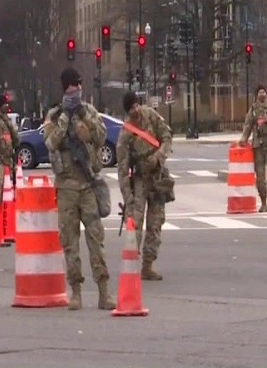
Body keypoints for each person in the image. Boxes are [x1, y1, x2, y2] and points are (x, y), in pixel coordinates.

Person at [44, 67, 116, 311]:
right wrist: (65, 118)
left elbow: (102, 138)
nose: (78, 89)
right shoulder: (55, 115)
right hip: (66, 188)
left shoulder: (89, 111)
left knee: (96, 239)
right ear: (66, 87)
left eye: (79, 85)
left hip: (87, 186)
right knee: (70, 242)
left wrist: (86, 122)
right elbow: (51, 142)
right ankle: (75, 291)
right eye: (74, 85)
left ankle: (104, 292)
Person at [115, 91, 174, 281]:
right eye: (131, 108)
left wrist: (158, 157)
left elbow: (167, 136)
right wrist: (128, 199)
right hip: (140, 180)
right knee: (136, 224)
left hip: (157, 177)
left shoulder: (150, 115)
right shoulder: (125, 134)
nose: (135, 110)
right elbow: (123, 170)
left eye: (136, 105)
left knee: (156, 223)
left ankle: (148, 265)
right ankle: (132, 263)